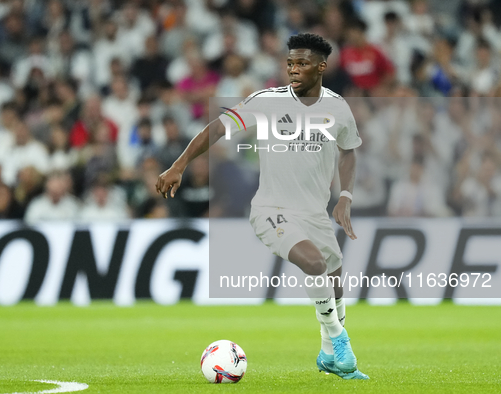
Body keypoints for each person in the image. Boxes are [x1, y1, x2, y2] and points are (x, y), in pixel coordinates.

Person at [156, 33, 368, 379]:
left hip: (315, 213)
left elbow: (348, 151)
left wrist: (345, 196)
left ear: (321, 67)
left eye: (302, 64)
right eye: (289, 64)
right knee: (314, 264)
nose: (293, 70)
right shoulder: (267, 102)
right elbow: (217, 128)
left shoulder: (338, 108)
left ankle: (329, 355)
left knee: (334, 279)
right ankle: (341, 342)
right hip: (271, 210)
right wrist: (179, 165)